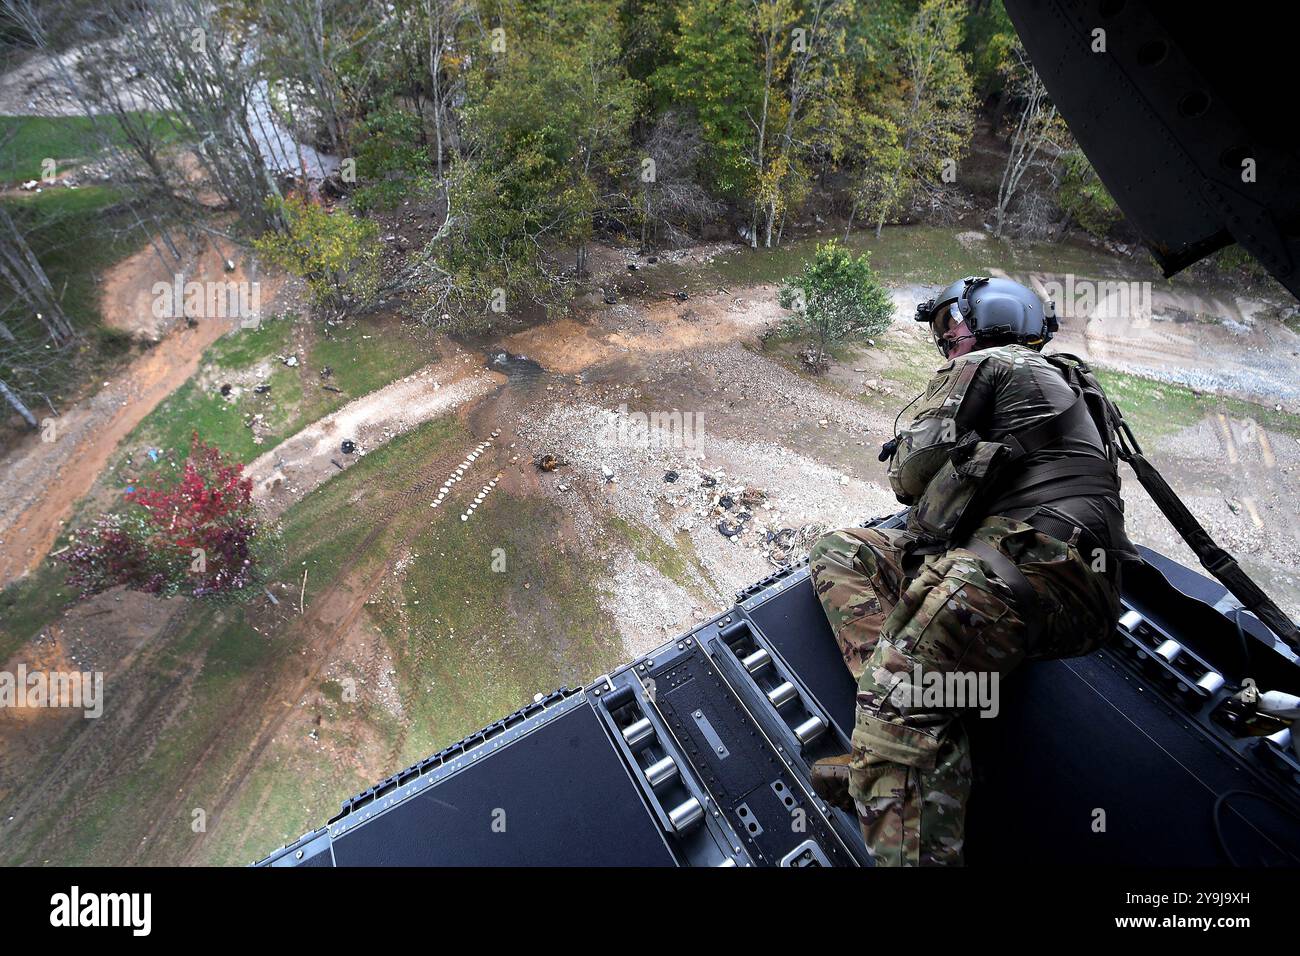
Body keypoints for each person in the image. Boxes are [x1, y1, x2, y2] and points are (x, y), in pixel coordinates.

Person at [808, 276, 1138, 866]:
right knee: (843, 550)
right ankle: (893, 739)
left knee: (900, 705)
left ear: (983, 319)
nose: (944, 343)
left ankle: (895, 735)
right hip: (1059, 584)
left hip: (1025, 571)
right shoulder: (1062, 384)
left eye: (947, 327)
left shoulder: (991, 363)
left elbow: (909, 478)